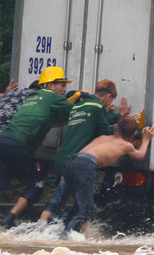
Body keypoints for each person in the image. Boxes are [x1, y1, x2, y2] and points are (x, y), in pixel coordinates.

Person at [0, 66, 74, 229]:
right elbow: (77, 111)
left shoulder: (31, 96)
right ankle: (10, 218)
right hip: (18, 146)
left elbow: (48, 120)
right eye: (61, 84)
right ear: (49, 85)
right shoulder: (51, 96)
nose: (64, 89)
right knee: (36, 185)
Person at [40, 116, 154, 236]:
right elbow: (140, 155)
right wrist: (146, 139)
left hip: (71, 162)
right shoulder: (126, 146)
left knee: (70, 202)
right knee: (86, 210)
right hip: (85, 165)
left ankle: (52, 221)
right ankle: (66, 237)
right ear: (133, 135)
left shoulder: (102, 138)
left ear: (116, 128)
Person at [40, 79, 128, 221]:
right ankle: (77, 233)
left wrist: (117, 116)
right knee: (85, 207)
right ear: (108, 97)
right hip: (77, 163)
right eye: (112, 101)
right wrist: (123, 123)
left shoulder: (80, 106)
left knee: (58, 200)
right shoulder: (98, 106)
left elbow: (92, 121)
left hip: (63, 158)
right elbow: (104, 131)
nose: (111, 105)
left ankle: (41, 225)